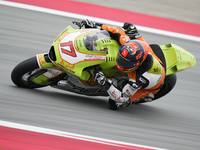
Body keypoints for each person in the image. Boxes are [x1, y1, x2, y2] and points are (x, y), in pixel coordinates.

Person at [80, 19, 165, 110]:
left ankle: (148, 95)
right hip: (149, 54)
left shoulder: (138, 79)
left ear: (136, 65)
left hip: (150, 86)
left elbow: (121, 97)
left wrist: (104, 81)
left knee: (115, 103)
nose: (120, 63)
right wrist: (95, 25)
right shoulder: (130, 45)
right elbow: (117, 31)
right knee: (130, 29)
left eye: (125, 62)